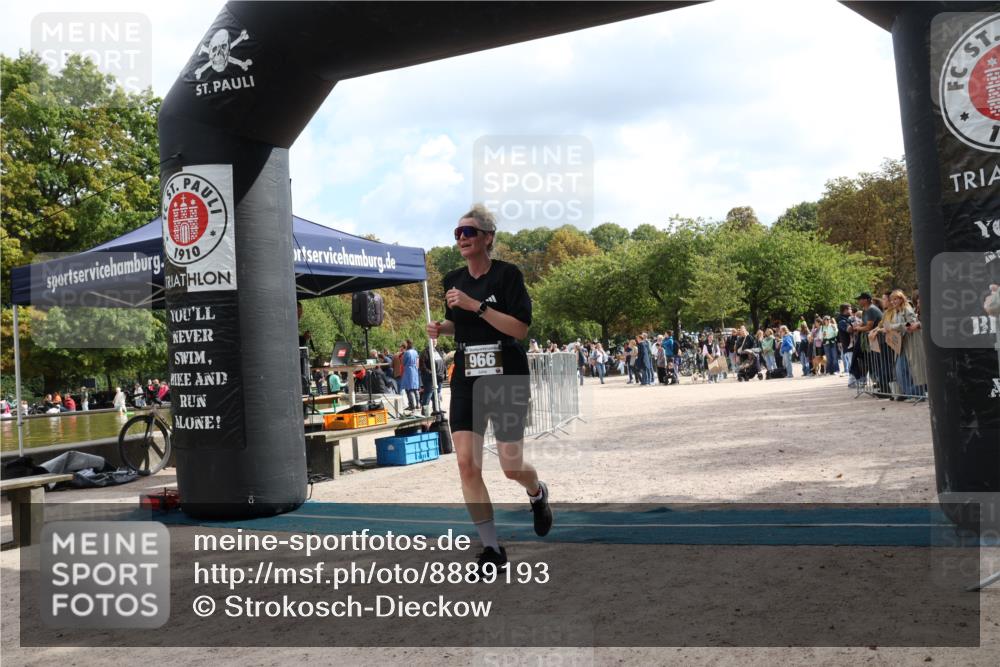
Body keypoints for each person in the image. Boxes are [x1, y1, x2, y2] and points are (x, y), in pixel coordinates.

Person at [426, 203, 552, 575]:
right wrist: (442, 328)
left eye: (469, 232)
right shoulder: (452, 279)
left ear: (488, 237)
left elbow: (519, 329)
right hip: (467, 374)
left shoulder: (507, 275)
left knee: (511, 466)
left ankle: (537, 492)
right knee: (467, 464)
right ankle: (492, 549)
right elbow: (458, 323)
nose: (461, 238)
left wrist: (476, 305)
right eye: (457, 233)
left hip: (506, 371)